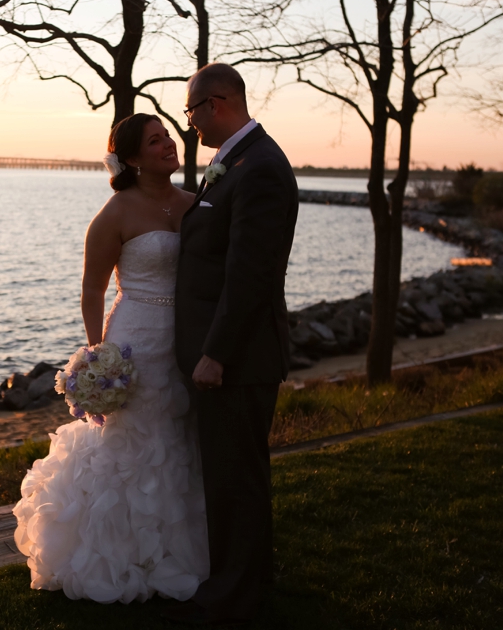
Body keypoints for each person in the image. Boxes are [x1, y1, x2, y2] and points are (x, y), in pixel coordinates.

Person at [12, 113, 209, 604]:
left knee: (180, 439)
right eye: (155, 141)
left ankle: (180, 547)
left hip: (183, 339)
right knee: (134, 442)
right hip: (135, 339)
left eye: (168, 136)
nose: (168, 144)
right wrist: (98, 353)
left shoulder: (194, 204)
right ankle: (122, 553)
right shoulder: (116, 212)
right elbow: (92, 287)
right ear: (134, 158)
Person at [165, 63, 299, 626]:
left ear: (216, 104)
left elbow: (250, 274)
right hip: (229, 355)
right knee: (239, 474)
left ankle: (231, 599)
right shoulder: (235, 162)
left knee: (233, 480)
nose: (188, 122)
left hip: (236, 359)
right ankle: (250, 580)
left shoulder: (259, 168)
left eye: (190, 111)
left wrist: (216, 353)